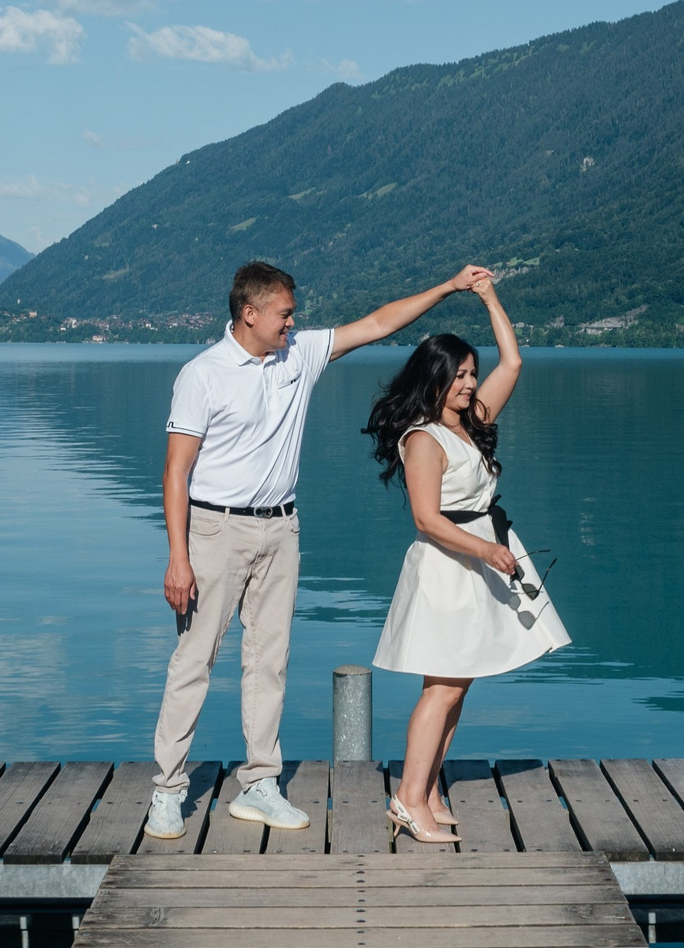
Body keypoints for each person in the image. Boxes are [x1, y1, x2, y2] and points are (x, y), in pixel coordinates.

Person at [146, 258, 501, 842]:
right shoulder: (202, 374)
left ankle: (259, 785)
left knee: (270, 662)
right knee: (194, 662)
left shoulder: (298, 355)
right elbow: (175, 471)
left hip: (281, 529)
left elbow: (378, 323)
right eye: (285, 313)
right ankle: (168, 790)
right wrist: (178, 557)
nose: (294, 322)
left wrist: (449, 287)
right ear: (250, 313)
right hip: (214, 531)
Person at [363, 270, 568, 842]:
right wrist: (488, 550)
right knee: (443, 688)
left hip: (477, 561)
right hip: (450, 567)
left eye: (471, 374)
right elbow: (426, 519)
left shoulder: (471, 425)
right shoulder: (424, 439)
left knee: (461, 683)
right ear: (433, 380)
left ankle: (427, 788)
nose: (468, 384)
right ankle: (407, 799)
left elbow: (515, 363)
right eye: (458, 375)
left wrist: (489, 296)